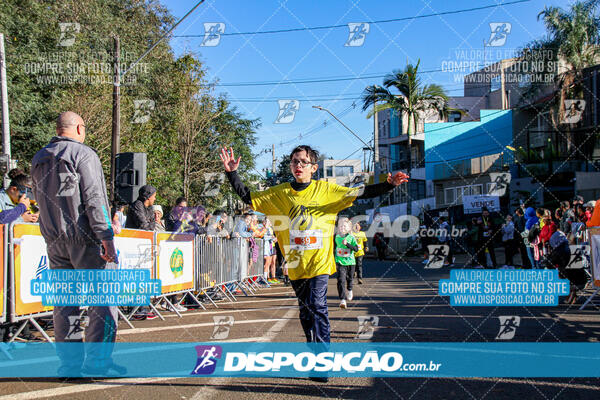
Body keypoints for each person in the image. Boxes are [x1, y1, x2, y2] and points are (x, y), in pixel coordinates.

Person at [220, 145, 408, 372]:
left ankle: (322, 362)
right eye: (294, 162)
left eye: (303, 162)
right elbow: (249, 196)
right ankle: (313, 347)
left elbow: (359, 192)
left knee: (318, 306)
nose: (298, 166)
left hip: (320, 262)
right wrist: (232, 173)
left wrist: (389, 184)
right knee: (306, 311)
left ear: (314, 167)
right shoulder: (279, 193)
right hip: (296, 265)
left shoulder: (327, 189)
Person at [31, 111, 122, 376]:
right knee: (102, 302)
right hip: (86, 238)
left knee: (65, 303)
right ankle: (97, 363)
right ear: (79, 128)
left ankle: (69, 364)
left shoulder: (39, 157)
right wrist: (106, 236)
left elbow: (39, 197)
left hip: (54, 239)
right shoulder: (83, 155)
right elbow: (95, 199)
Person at [334, 217, 359, 309]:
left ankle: (350, 289)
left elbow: (356, 249)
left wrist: (347, 244)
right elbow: (333, 248)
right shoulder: (336, 237)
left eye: (344, 226)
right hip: (340, 261)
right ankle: (342, 300)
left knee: (350, 278)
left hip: (350, 262)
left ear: (348, 227)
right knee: (341, 280)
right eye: (340, 226)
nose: (342, 228)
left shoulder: (351, 237)